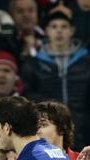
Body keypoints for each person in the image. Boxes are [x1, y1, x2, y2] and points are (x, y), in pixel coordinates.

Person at [21, 11, 90, 149]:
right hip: (48, 130)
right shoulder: (33, 64)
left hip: (85, 128)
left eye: (64, 27)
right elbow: (28, 97)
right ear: (46, 31)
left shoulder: (86, 62)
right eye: (54, 27)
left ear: (72, 31)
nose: (59, 31)